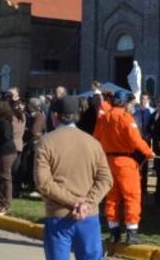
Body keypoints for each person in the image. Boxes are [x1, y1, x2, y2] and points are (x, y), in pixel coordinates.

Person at [35, 95, 113, 260]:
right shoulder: (93, 143)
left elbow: (43, 182)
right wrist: (87, 203)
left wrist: (74, 202)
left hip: (58, 215)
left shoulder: (46, 142)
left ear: (56, 116)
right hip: (88, 216)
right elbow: (106, 179)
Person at [92, 90, 153, 245]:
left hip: (108, 161)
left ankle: (114, 232)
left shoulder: (103, 118)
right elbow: (135, 141)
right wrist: (149, 152)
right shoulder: (126, 118)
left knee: (112, 197)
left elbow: (95, 139)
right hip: (125, 162)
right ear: (125, 103)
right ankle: (131, 232)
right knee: (132, 196)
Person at [0, 99, 18, 215]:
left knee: (5, 178)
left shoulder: (4, 121)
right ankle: (0, 202)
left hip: (5, 152)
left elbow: (6, 137)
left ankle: (6, 205)